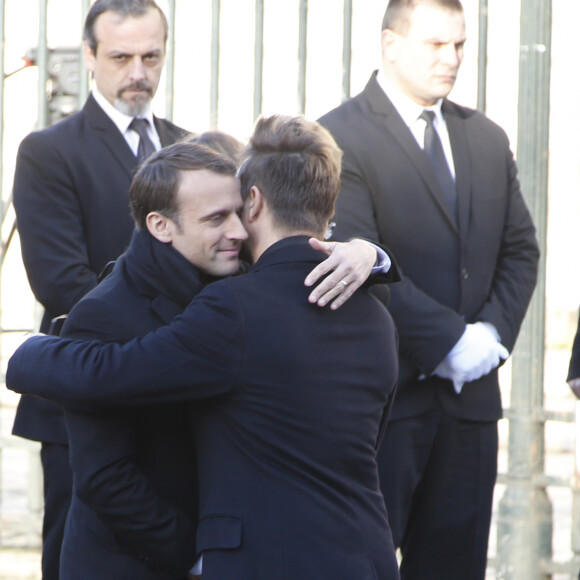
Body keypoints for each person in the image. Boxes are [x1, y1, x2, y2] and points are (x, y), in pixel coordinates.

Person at [7, 114, 401, 580]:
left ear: (253, 203)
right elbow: (103, 475)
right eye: (216, 217)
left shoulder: (240, 298)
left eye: (235, 213)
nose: (235, 230)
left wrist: (370, 254)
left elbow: (114, 371)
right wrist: (193, 556)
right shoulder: (372, 310)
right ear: (161, 226)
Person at [317, 1, 540, 578]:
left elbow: (521, 249)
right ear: (391, 45)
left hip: (470, 405)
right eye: (436, 45)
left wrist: (489, 336)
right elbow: (359, 264)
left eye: (460, 45)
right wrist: (447, 341)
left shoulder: (485, 138)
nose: (453, 59)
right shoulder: (338, 136)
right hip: (383, 404)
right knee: (359, 565)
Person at [11, 1, 190, 577]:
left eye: (150, 56)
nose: (137, 72)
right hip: (84, 401)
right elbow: (64, 283)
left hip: (180, 404)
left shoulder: (192, 150)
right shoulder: (49, 152)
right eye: (120, 57)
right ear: (89, 57)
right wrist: (177, 345)